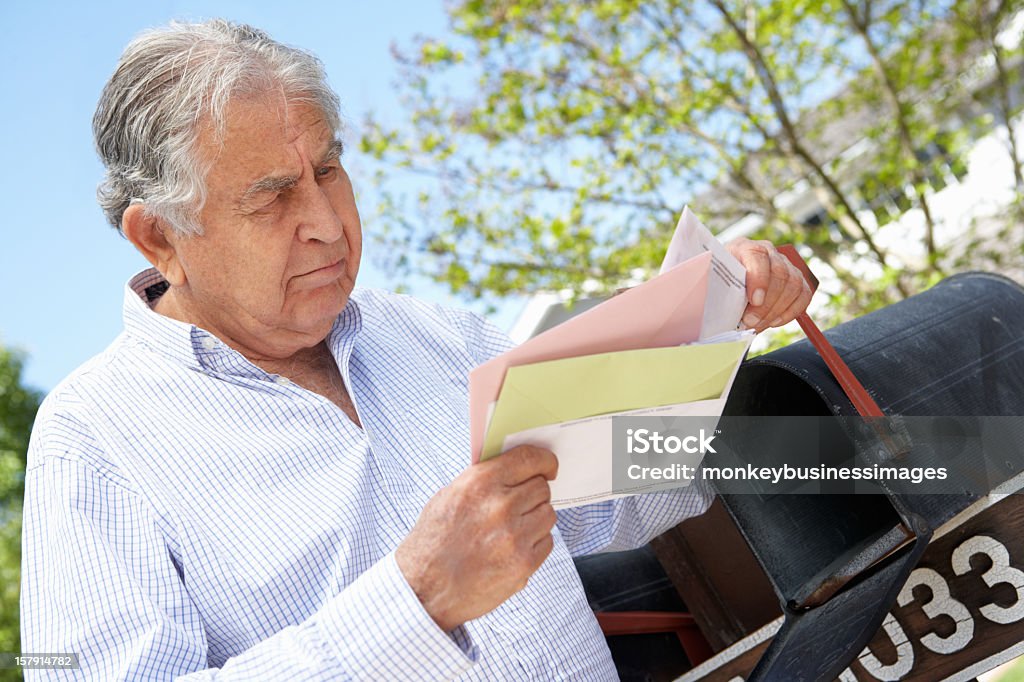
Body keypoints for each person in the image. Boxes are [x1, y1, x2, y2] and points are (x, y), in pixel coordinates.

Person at [20, 19, 812, 680]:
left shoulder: (432, 334)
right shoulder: (91, 441)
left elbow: (626, 498)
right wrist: (415, 601)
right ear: (161, 236)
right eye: (272, 199)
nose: (328, 222)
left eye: (328, 169)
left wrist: (710, 319)